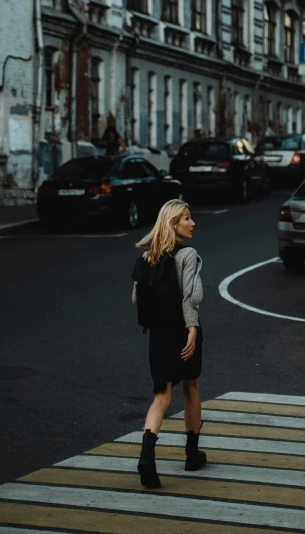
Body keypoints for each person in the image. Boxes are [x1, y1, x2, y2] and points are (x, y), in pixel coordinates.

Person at [132, 199, 206, 488]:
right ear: (174, 224)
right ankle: (191, 454)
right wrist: (191, 329)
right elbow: (191, 296)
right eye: (187, 218)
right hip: (183, 330)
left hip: (159, 334)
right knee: (192, 386)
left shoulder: (150, 255)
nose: (192, 223)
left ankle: (147, 458)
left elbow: (137, 298)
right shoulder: (187, 254)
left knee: (161, 397)